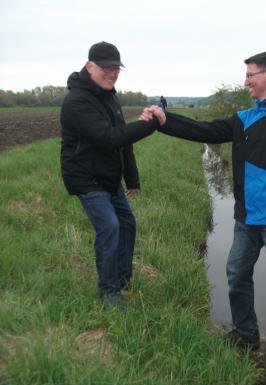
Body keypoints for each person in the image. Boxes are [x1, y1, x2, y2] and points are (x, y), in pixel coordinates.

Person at [142, 51, 266, 348]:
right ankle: (246, 333)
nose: (245, 81)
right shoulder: (246, 118)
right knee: (236, 272)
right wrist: (164, 120)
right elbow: (205, 130)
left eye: (250, 74)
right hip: (247, 215)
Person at [60, 41, 164, 310]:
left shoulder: (110, 96)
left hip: (109, 177)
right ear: (89, 65)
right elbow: (108, 138)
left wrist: (132, 179)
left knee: (127, 223)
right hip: (85, 177)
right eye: (106, 68)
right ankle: (108, 292)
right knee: (110, 227)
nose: (113, 72)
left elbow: (122, 142)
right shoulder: (77, 101)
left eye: (116, 68)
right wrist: (149, 124)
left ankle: (123, 277)